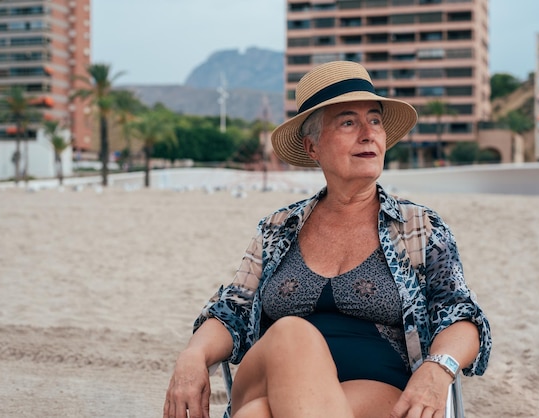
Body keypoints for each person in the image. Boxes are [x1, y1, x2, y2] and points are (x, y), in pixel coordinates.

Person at [164, 60, 491, 418]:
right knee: (291, 335)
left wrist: (438, 367)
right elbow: (232, 310)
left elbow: (461, 314)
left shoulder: (419, 227)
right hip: (267, 375)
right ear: (312, 147)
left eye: (375, 120)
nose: (368, 133)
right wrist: (192, 355)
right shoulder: (279, 228)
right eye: (348, 122)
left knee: (255, 415)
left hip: (378, 395)